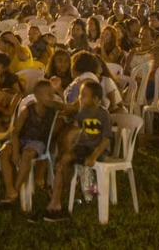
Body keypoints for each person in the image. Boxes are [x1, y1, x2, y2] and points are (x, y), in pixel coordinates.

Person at [40, 80, 113, 222]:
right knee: (62, 162)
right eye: (80, 94)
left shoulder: (103, 115)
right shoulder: (82, 112)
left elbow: (106, 139)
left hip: (98, 149)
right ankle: (56, 201)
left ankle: (85, 190)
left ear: (96, 99)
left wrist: (94, 156)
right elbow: (70, 116)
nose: (80, 97)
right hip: (83, 147)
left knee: (82, 164)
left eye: (84, 95)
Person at [0, 81, 59, 206]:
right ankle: (10, 189)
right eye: (47, 95)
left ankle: (14, 190)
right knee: (4, 152)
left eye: (51, 95)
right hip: (21, 139)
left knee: (27, 154)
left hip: (38, 142)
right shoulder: (28, 110)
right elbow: (15, 133)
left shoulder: (53, 109)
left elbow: (70, 108)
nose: (50, 97)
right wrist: (15, 152)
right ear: (37, 96)